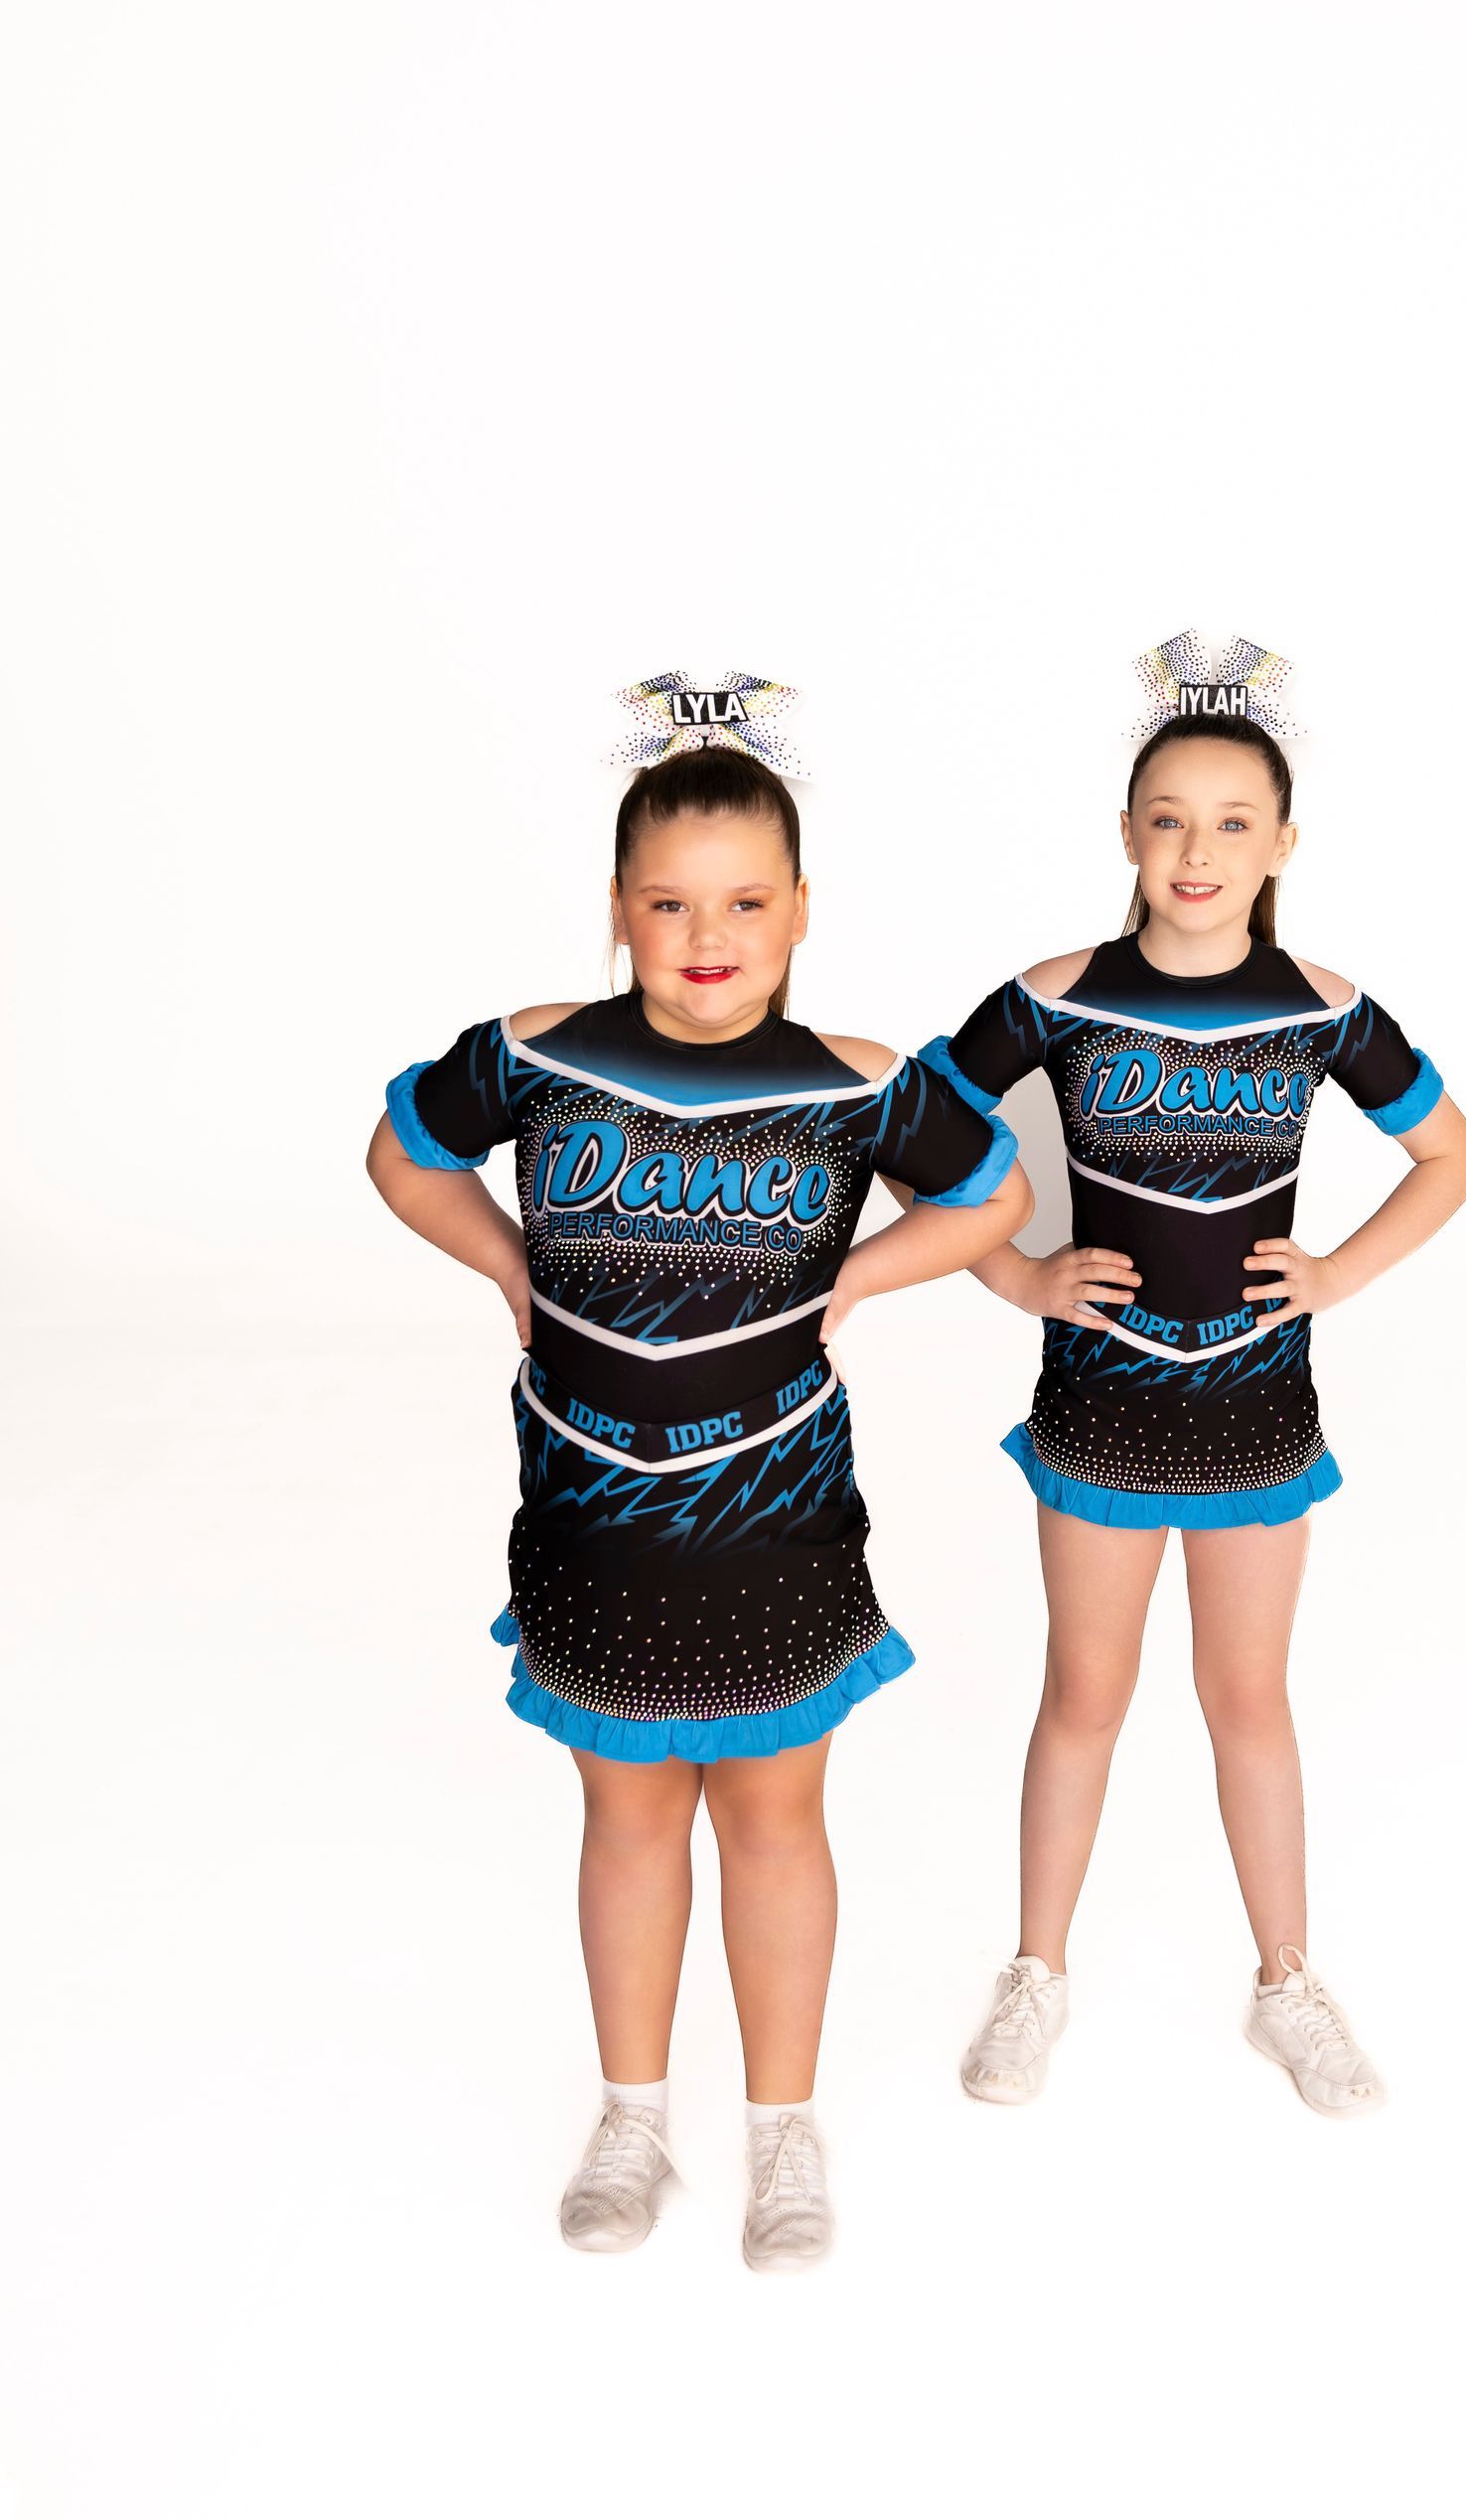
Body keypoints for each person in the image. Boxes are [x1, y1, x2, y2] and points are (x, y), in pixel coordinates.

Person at [367, 690, 1028, 2266]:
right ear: (619, 910)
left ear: (801, 911)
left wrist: (858, 1279)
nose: (705, 935)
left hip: (775, 1531)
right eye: (668, 904)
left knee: (778, 1819)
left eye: (743, 903)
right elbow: (404, 1151)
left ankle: (784, 2133)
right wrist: (508, 1265)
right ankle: (633, 2112)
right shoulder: (536, 1056)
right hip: (593, 1530)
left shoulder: (857, 1082)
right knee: (626, 1819)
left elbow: (994, 1193)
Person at [922, 639, 1466, 2115]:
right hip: (1099, 1406)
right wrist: (1021, 1270)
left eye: (1234, 822)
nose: (1198, 849)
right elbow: (909, 1133)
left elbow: (1453, 1156)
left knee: (1250, 1699)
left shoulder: (1322, 1005)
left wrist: (1338, 1274)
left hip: (1256, 1410)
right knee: (1084, 1698)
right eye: (1168, 817)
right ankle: (1037, 1974)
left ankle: (1286, 1982)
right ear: (1126, 833)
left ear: (1283, 844)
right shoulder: (1053, 996)